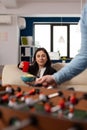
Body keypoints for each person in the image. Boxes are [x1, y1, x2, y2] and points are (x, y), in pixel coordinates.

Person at [35, 3, 87, 88]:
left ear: (47, 57)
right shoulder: (86, 11)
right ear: (35, 58)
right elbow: (85, 54)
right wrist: (55, 78)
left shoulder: (51, 69)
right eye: (38, 56)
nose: (41, 58)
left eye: (43, 56)